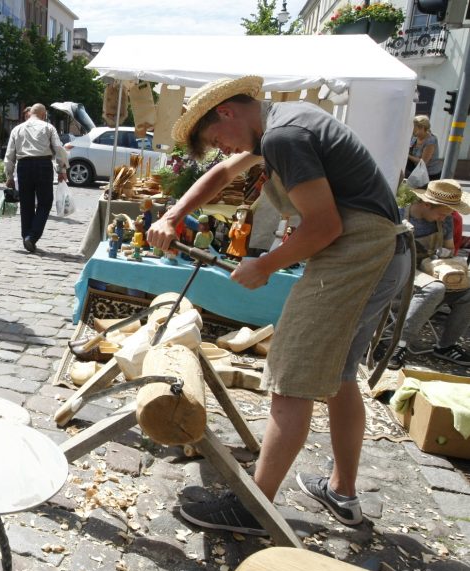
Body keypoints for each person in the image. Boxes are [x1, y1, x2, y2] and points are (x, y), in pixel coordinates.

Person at [147, 75, 411, 534]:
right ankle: (342, 493)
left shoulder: (285, 135)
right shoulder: (279, 127)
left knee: (290, 372)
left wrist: (265, 265)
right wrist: (173, 213)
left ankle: (254, 506)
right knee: (341, 376)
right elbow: (223, 173)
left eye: (217, 138)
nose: (223, 149)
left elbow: (325, 226)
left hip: (360, 251)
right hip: (381, 252)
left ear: (227, 112)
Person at [388, 179, 470, 369]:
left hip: (429, 268)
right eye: (441, 214)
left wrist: (446, 256)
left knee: (467, 292)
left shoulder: (447, 219)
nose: (444, 218)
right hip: (400, 271)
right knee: (435, 288)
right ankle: (399, 345)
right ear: (426, 204)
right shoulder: (400, 215)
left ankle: (446, 346)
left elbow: (449, 248)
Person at [4, 103, 68, 253]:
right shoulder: (48, 127)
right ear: (44, 114)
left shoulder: (17, 129)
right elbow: (59, 149)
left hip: (23, 166)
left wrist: (9, 176)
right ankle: (31, 237)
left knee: (26, 203)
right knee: (45, 202)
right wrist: (61, 170)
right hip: (43, 165)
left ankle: (27, 235)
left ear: (30, 113)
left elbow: (9, 155)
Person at [405, 115, 443, 183]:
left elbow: (423, 162)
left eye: (414, 128)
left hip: (429, 175)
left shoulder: (430, 141)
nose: (412, 130)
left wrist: (407, 155)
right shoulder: (415, 137)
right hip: (417, 170)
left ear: (422, 128)